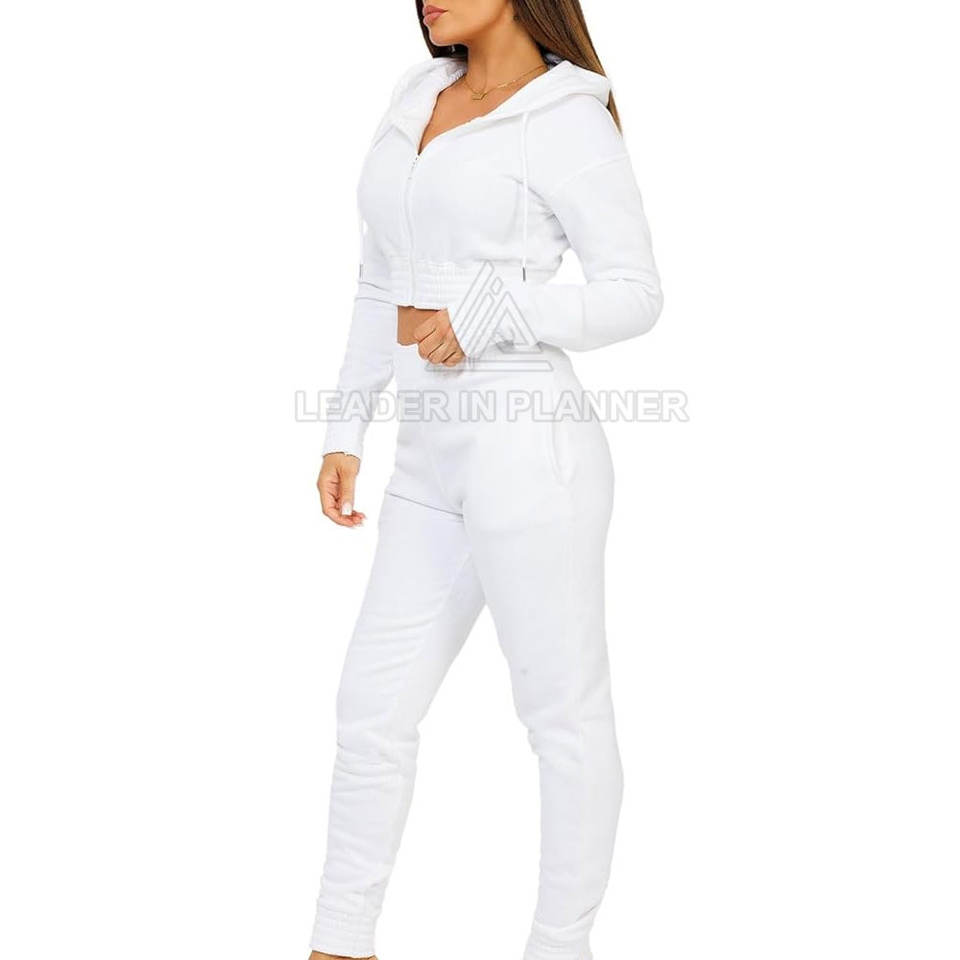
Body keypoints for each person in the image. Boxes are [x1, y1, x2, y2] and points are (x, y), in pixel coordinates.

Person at [311, 2, 662, 957]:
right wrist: (347, 427)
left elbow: (636, 293)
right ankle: (339, 943)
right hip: (425, 455)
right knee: (371, 708)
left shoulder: (567, 115)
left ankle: (559, 947)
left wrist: (497, 310)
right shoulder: (418, 95)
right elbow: (378, 281)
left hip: (528, 448)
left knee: (561, 717)